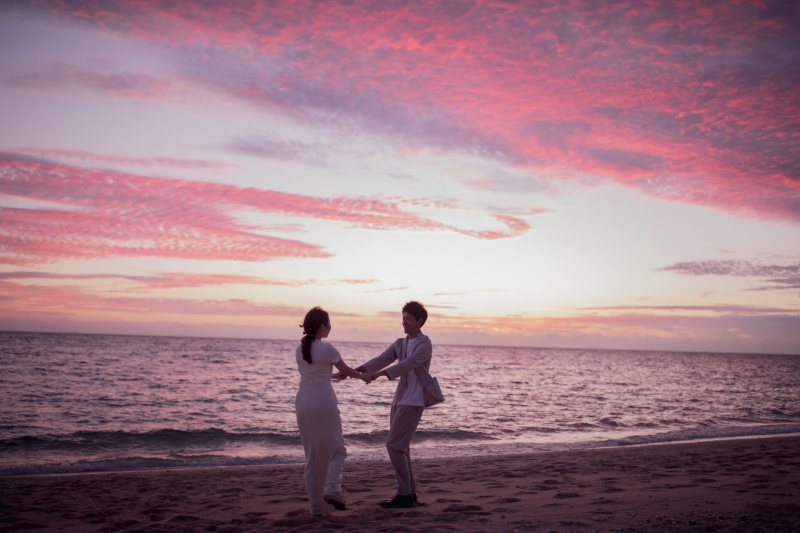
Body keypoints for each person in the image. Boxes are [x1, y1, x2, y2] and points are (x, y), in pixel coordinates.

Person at [356, 301, 434, 509]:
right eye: (403, 319)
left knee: (394, 445)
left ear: (420, 321)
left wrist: (381, 374)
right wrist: (355, 371)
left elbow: (407, 364)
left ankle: (404, 494)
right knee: (402, 448)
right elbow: (383, 358)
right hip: (400, 398)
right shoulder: (400, 343)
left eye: (408, 319)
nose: (404, 323)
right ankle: (410, 495)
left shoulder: (425, 344)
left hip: (415, 399)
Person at [294, 306, 366, 516]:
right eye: (329, 324)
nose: (331, 328)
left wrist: (335, 376)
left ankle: (316, 507)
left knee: (313, 457)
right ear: (323, 326)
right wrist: (365, 377)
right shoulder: (327, 349)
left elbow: (316, 374)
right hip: (322, 402)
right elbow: (348, 371)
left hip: (302, 402)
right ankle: (332, 490)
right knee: (337, 451)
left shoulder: (300, 350)